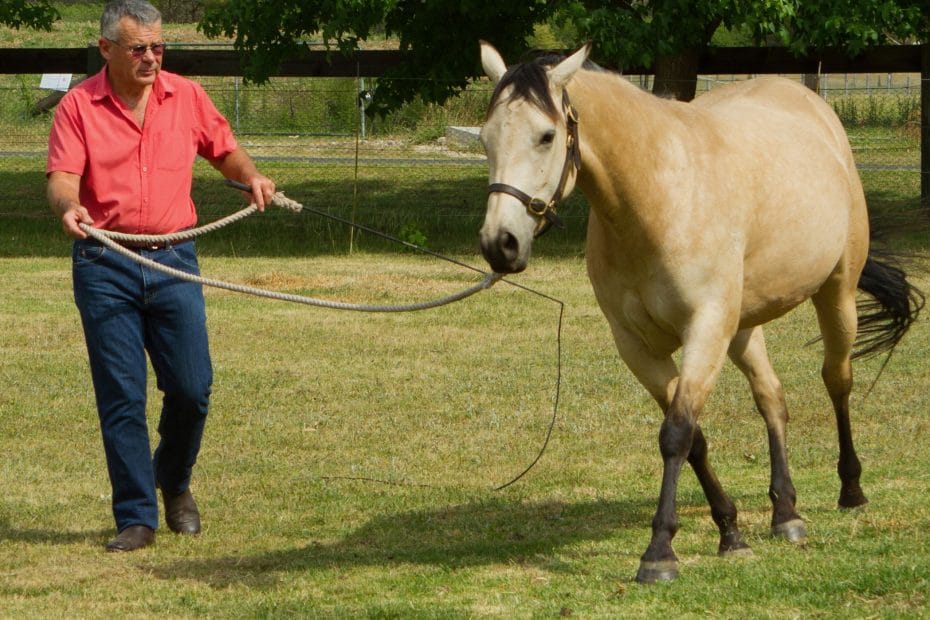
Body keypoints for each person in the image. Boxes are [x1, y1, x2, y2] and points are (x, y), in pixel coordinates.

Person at [46, 0, 275, 552]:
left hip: (174, 260)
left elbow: (226, 153)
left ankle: (173, 480)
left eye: (157, 47)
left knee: (193, 389)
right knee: (122, 395)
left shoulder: (188, 97)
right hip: (106, 263)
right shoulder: (77, 106)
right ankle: (136, 516)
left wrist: (253, 178)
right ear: (106, 49)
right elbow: (61, 178)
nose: (151, 58)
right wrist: (67, 208)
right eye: (138, 48)